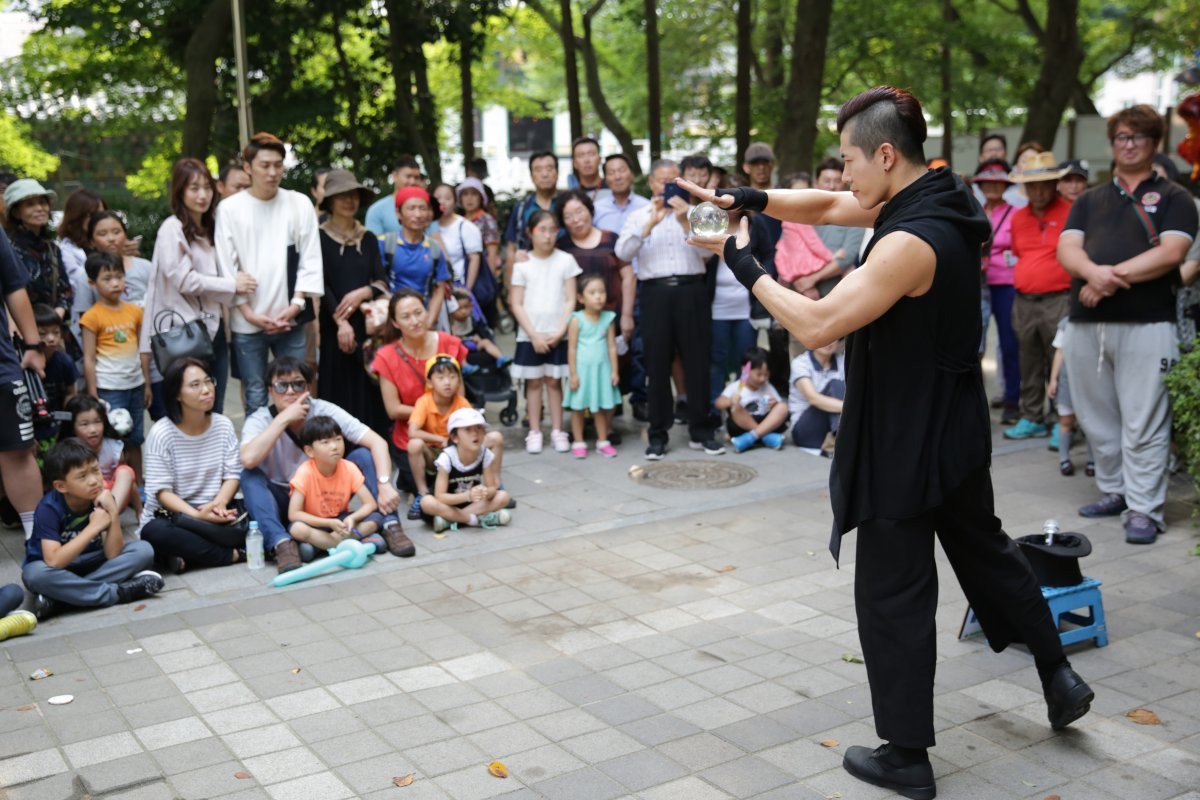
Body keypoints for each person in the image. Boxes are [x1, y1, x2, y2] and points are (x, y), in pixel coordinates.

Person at [682, 84, 1092, 800]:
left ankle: (906, 755)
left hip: (908, 432)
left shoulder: (908, 241)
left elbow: (817, 326)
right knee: (986, 549)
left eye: (848, 160)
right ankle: (1059, 674)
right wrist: (750, 198)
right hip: (956, 421)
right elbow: (830, 206)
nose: (842, 177)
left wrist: (740, 260)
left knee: (893, 591)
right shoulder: (944, 196)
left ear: (885, 153)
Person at [1056, 104, 1198, 545]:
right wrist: (1094, 275)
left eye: (1138, 136)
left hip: (1148, 322)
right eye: (1121, 136)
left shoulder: (1175, 197)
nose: (1129, 143)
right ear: (1112, 143)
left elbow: (1173, 253)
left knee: (1145, 420)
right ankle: (1116, 490)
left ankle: (1144, 508)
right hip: (1085, 324)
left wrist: (1107, 278)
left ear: (1154, 143)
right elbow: (1068, 249)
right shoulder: (1089, 199)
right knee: (1097, 418)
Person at [240, 357, 413, 572]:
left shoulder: (323, 410)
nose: (290, 391)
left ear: (309, 388)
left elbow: (376, 441)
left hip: (327, 497)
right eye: (281, 386)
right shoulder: (260, 419)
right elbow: (248, 458)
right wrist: (283, 419)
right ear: (270, 390)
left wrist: (385, 484)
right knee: (250, 475)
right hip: (286, 503)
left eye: (298, 384)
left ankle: (390, 525)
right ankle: (282, 544)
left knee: (362, 455)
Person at [616, 160, 722, 459]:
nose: (667, 187)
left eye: (672, 181)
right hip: (654, 293)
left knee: (698, 361)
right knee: (657, 364)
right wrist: (649, 225)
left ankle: (702, 430)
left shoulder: (697, 214)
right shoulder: (638, 215)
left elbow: (711, 253)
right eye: (662, 181)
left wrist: (685, 222)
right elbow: (622, 253)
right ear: (651, 183)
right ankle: (658, 434)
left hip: (692, 290)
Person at [215, 132, 324, 414]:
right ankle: (260, 457)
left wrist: (296, 305)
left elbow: (310, 257)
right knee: (255, 394)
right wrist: (249, 314)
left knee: (297, 389)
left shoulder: (298, 203)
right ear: (248, 167)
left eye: (278, 165)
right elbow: (227, 265)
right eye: (265, 165)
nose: (273, 172)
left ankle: (301, 450)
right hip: (247, 322)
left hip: (291, 318)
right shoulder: (229, 209)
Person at [143, 158, 247, 416]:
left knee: (215, 407)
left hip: (214, 330)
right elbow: (184, 280)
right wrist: (233, 285)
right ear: (180, 191)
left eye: (207, 187)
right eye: (194, 188)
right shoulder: (172, 228)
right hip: (183, 332)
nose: (203, 195)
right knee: (186, 412)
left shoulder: (211, 227)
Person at [22, 438, 162, 620]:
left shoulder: (101, 497)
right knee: (34, 575)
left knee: (143, 550)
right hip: (59, 569)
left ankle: (62, 599)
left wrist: (112, 509)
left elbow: (113, 553)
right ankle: (117, 593)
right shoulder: (49, 508)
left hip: (93, 562)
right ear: (61, 486)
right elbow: (54, 561)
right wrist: (94, 528)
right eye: (82, 476)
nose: (94, 481)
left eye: (96, 471)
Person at [138, 358, 244, 573]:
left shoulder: (223, 425)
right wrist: (196, 516)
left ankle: (187, 555)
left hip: (215, 512)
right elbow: (162, 493)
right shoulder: (162, 433)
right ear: (177, 393)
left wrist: (220, 504)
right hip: (176, 517)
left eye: (208, 381)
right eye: (195, 385)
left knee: (254, 517)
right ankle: (230, 555)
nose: (206, 390)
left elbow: (233, 474)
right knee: (154, 532)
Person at [1003, 153, 1074, 441]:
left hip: (1060, 298)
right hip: (1024, 300)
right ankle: (1032, 416)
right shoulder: (1019, 218)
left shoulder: (1071, 211)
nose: (1039, 191)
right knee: (1028, 360)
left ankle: (1062, 420)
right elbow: (1019, 252)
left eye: (1044, 184)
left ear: (1055, 183)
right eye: (1032, 186)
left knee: (1061, 361)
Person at [316, 170, 389, 431]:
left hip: (368, 327)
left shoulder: (367, 238)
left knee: (369, 385)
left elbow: (381, 281)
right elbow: (319, 284)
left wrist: (363, 293)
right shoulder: (319, 237)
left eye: (354, 195)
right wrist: (340, 322)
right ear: (330, 201)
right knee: (336, 386)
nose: (349, 201)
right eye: (342, 196)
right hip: (333, 327)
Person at [510, 211, 581, 455]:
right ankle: (535, 431)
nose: (548, 235)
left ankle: (558, 430)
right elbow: (516, 303)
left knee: (554, 382)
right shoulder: (522, 265)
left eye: (553, 230)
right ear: (531, 233)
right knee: (533, 383)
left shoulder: (566, 261)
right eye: (542, 230)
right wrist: (534, 334)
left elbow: (571, 299)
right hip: (530, 334)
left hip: (556, 333)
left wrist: (561, 330)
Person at [79, 251, 149, 483]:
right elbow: (88, 357)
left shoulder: (135, 312)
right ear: (92, 283)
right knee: (114, 439)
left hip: (135, 385)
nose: (115, 283)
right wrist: (93, 394)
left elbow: (142, 350)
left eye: (119, 276)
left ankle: (138, 486)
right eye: (107, 278)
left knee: (136, 438)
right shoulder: (91, 316)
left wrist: (147, 383)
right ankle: (113, 484)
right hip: (109, 387)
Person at [0, 225, 51, 540]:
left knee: (18, 450)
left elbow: (13, 285)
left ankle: (40, 541)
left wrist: (33, 345)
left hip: (2, 366)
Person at [288, 415, 387, 554]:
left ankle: (322, 545)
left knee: (377, 517)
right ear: (309, 451)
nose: (334, 446)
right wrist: (327, 523)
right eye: (325, 442)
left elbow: (370, 504)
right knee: (297, 529)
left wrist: (352, 517)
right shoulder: (305, 472)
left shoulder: (349, 467)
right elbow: (294, 514)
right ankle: (349, 540)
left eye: (338, 439)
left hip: (342, 521)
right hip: (317, 523)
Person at [973, 158, 1021, 424]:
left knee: (1009, 343)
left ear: (1005, 185)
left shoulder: (1016, 213)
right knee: (974, 346)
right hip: (976, 285)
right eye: (987, 181)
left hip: (1005, 284)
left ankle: (1013, 399)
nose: (993, 185)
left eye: (998, 182)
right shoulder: (974, 209)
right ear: (980, 184)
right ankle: (975, 403)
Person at [556, 189, 634, 344]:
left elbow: (628, 277)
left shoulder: (611, 238)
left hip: (613, 318)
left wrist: (627, 315)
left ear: (590, 211)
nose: (576, 219)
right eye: (568, 216)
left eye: (580, 211)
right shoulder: (561, 247)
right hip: (577, 323)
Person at [419, 407, 511, 532]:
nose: (475, 433)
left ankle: (450, 521)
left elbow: (492, 488)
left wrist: (485, 492)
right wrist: (467, 496)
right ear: (455, 437)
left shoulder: (485, 454)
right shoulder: (447, 458)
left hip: (473, 504)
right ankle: (474, 520)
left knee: (503, 496)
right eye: (468, 430)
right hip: (449, 504)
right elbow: (440, 496)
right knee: (426, 502)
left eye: (479, 428)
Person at [564, 274, 622, 458]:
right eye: (592, 292)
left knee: (600, 407)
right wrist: (573, 374)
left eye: (602, 292)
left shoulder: (608, 318)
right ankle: (579, 441)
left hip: (601, 371)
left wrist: (614, 370)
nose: (598, 296)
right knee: (578, 408)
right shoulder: (576, 319)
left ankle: (603, 440)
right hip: (582, 372)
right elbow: (572, 349)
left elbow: (612, 346)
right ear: (581, 298)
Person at [407, 354, 473, 509]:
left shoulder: (462, 402)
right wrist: (438, 439)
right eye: (441, 378)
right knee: (414, 445)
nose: (448, 382)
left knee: (493, 438)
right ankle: (422, 493)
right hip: (435, 453)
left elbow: (473, 429)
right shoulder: (424, 401)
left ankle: (494, 485)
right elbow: (413, 431)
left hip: (458, 452)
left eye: (452, 377)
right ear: (430, 381)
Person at [379, 186, 450, 327]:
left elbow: (439, 288)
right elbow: (375, 282)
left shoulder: (434, 248)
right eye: (411, 208)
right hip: (390, 321)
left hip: (422, 319)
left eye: (422, 208)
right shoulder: (384, 244)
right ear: (398, 213)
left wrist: (428, 323)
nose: (417, 214)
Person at [57, 394, 139, 515]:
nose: (93, 430)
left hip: (114, 497)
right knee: (98, 483)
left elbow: (130, 484)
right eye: (84, 424)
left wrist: (140, 511)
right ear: (72, 427)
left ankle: (109, 516)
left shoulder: (113, 447)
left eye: (97, 422)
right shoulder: (67, 453)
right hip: (82, 499)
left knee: (125, 471)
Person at [3, 179, 73, 321]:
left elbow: (65, 292)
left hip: (54, 329)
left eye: (43, 202)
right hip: (20, 330)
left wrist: (54, 318)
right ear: (16, 212)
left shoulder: (52, 248)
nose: (40, 208)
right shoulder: (8, 249)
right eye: (30, 204)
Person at [714, 347, 788, 452]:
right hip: (741, 425)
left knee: (783, 407)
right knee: (735, 408)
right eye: (758, 374)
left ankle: (751, 437)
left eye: (766, 375)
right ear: (745, 370)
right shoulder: (736, 387)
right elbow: (718, 403)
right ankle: (766, 436)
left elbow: (779, 407)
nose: (762, 378)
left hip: (764, 420)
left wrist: (774, 404)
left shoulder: (767, 386)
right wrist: (730, 401)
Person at [504, 151, 560, 286]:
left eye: (549, 168)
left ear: (557, 172)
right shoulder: (522, 208)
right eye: (538, 170)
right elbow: (512, 248)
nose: (544, 174)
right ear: (532, 176)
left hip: (563, 276)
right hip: (529, 280)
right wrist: (511, 288)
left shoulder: (567, 206)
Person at [1047, 318, 1095, 477]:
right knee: (1065, 421)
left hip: (1090, 380)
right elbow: (1059, 351)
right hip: (1068, 381)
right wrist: (1054, 379)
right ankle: (1064, 459)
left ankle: (1092, 460)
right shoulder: (1065, 324)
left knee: (1091, 423)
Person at [812, 158, 865, 296]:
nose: (831, 186)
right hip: (799, 291)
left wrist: (811, 279)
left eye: (837, 181)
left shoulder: (854, 213)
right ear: (816, 183)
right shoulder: (804, 213)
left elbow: (847, 256)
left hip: (836, 293)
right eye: (826, 181)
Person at [788, 339, 845, 454]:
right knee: (835, 384)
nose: (828, 342)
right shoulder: (800, 363)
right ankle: (840, 438)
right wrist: (852, 408)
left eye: (833, 338)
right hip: (805, 430)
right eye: (824, 338)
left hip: (829, 425)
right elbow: (814, 399)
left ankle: (840, 438)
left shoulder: (842, 361)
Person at [457, 177, 502, 321]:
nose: (469, 199)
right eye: (465, 194)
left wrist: (491, 281)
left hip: (481, 276)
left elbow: (492, 252)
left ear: (481, 198)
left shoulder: (486, 220)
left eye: (474, 194)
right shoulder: (459, 220)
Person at [32, 304, 77, 445]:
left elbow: (70, 393)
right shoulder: (23, 365)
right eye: (43, 333)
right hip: (30, 429)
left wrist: (64, 426)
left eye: (56, 332)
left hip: (56, 426)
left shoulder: (65, 362)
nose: (51, 338)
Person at [430, 183, 484, 288]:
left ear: (455, 202)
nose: (442, 202)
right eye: (438, 198)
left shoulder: (466, 227)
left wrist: (468, 290)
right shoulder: (427, 226)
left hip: (458, 286)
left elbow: (474, 259)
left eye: (447, 198)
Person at [365, 155, 423, 236]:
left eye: (416, 177)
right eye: (408, 176)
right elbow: (373, 246)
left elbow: (435, 240)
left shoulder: (426, 208)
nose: (412, 182)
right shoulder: (377, 210)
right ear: (395, 176)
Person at [593, 154, 649, 235]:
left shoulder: (646, 207)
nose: (617, 177)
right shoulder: (596, 209)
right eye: (611, 172)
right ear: (605, 180)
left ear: (632, 174)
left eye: (622, 170)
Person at [449, 287, 506, 363]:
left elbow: (483, 333)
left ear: (471, 306)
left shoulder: (473, 320)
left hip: (474, 344)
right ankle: (466, 367)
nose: (463, 311)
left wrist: (479, 340)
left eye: (466, 307)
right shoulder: (451, 323)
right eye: (459, 308)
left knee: (486, 342)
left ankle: (500, 358)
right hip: (461, 347)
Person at [567, 136, 608, 201]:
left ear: (600, 160)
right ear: (574, 163)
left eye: (591, 154)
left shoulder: (613, 188)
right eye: (581, 155)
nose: (587, 160)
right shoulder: (570, 196)